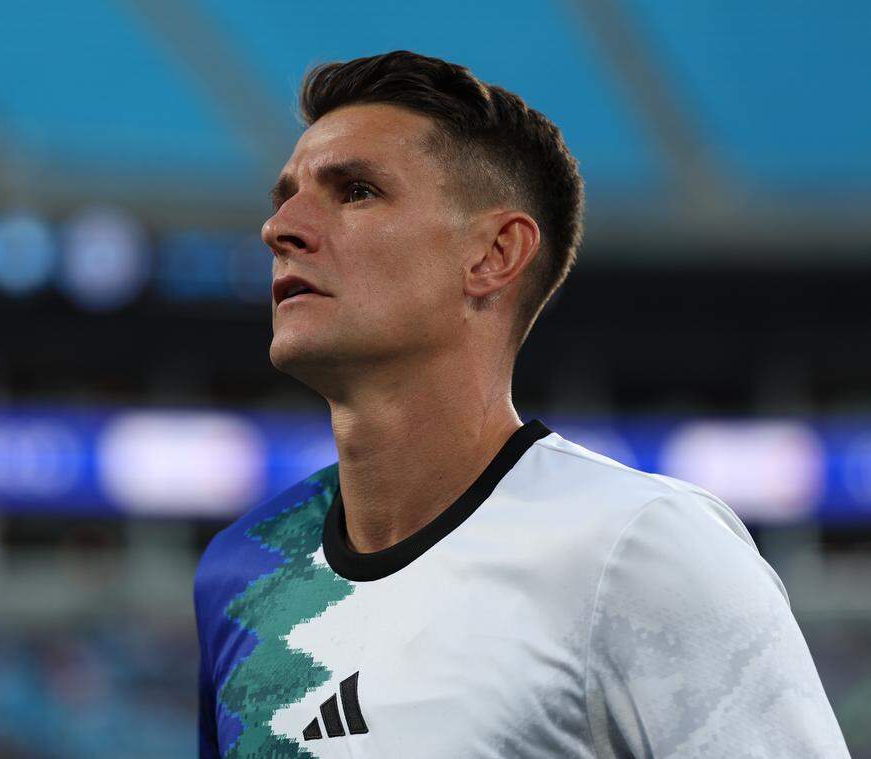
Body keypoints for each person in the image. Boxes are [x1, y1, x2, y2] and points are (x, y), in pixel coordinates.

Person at [193, 50, 849, 758]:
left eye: (355, 191)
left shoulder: (638, 547)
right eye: (285, 196)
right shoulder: (242, 570)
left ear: (494, 254)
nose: (280, 227)